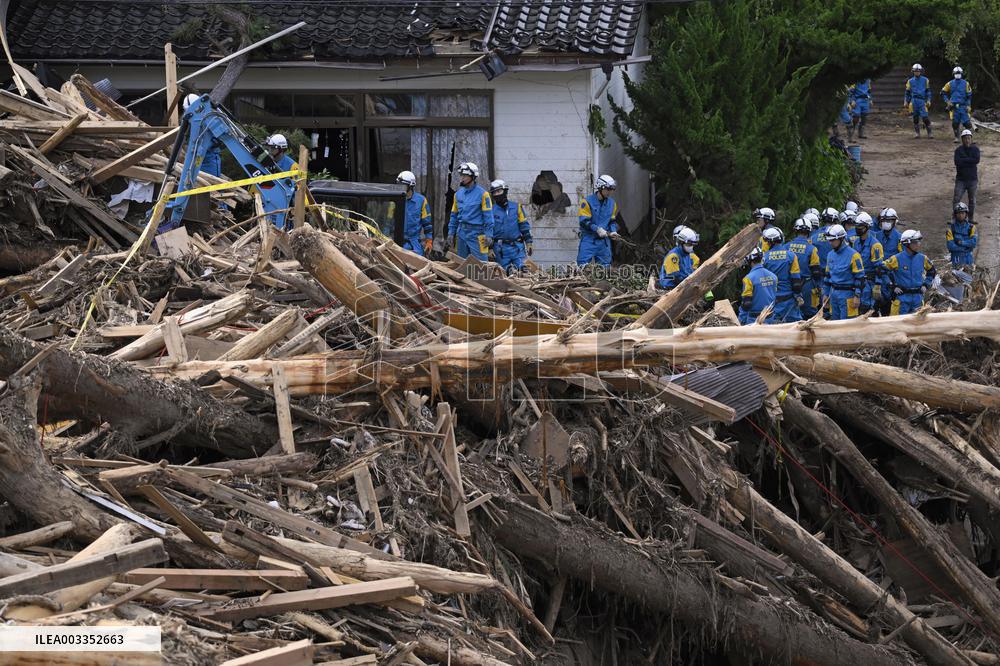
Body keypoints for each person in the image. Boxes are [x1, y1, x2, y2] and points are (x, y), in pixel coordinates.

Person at [880, 229, 936, 315]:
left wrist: (926, 284)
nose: (918, 244)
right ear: (907, 243)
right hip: (902, 298)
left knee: (918, 325)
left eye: (918, 242)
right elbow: (881, 270)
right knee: (898, 325)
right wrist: (892, 286)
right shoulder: (896, 258)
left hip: (917, 298)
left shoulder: (923, 258)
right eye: (915, 242)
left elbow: (932, 271)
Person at [447, 162, 493, 260]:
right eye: (461, 175)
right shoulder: (457, 195)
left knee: (481, 265)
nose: (462, 178)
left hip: (477, 234)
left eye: (465, 176)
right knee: (461, 264)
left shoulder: (483, 194)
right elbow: (454, 216)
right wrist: (451, 233)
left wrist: (489, 234)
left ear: (473, 176)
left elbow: (488, 216)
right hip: (461, 233)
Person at [822, 223, 865, 320]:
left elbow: (860, 278)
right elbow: (827, 276)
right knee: (834, 324)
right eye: (829, 240)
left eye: (833, 240)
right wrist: (826, 294)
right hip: (834, 295)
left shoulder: (854, 256)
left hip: (848, 296)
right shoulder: (830, 255)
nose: (830, 243)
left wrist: (857, 296)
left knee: (848, 326)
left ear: (841, 239)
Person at [761, 227, 803, 322]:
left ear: (769, 242)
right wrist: (798, 296)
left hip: (772, 301)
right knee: (796, 326)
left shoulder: (764, 258)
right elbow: (796, 280)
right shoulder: (791, 256)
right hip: (789, 300)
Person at [577, 175, 620, 267]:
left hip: (604, 243)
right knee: (583, 267)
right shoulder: (586, 202)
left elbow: (612, 220)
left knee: (604, 269)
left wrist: (613, 231)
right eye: (608, 189)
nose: (610, 192)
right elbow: (584, 222)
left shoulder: (612, 204)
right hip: (589, 240)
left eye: (612, 189)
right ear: (600, 188)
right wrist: (597, 229)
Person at [490, 179, 532, 273]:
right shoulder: (491, 210)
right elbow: (488, 231)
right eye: (494, 193)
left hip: (517, 247)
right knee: (506, 274)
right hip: (500, 249)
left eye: (499, 191)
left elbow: (524, 226)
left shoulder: (517, 207)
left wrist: (529, 242)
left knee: (524, 272)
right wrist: (489, 248)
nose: (497, 194)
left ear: (505, 191)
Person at [788, 217, 822, 318]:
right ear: (809, 231)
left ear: (795, 230)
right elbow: (816, 272)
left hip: (791, 285)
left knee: (792, 315)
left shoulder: (786, 247)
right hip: (807, 285)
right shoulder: (812, 249)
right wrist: (819, 286)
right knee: (810, 315)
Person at [396, 170, 433, 256]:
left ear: (411, 186)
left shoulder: (421, 201)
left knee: (417, 263)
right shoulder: (395, 199)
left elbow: (427, 224)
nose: (400, 187)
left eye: (403, 185)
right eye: (399, 185)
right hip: (397, 241)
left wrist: (429, 241)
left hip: (414, 242)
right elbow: (389, 222)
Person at [853, 213, 884, 313]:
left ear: (867, 227)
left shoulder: (875, 245)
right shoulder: (856, 243)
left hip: (870, 282)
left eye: (860, 227)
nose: (858, 229)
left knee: (868, 309)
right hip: (858, 281)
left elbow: (879, 267)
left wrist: (878, 285)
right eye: (856, 226)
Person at [738, 247, 778, 325]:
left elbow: (746, 304)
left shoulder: (748, 279)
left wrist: (741, 319)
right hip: (770, 318)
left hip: (754, 320)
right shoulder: (773, 276)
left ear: (748, 260)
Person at [941, 66, 973, 142]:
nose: (957, 74)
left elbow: (969, 95)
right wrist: (947, 101)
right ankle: (957, 138)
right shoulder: (949, 83)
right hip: (954, 108)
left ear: (961, 74)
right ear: (953, 74)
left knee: (967, 124)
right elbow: (943, 93)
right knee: (955, 123)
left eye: (959, 73)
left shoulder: (966, 83)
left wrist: (968, 105)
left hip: (963, 107)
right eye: (956, 73)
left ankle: (968, 138)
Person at [954, 128, 980, 220]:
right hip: (961, 179)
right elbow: (957, 162)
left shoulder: (975, 149)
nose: (967, 140)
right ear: (962, 139)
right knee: (956, 199)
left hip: (972, 180)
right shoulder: (958, 150)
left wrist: (964, 160)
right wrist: (970, 160)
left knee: (972, 201)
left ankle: (971, 219)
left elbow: (976, 160)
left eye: (969, 138)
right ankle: (954, 219)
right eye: (965, 138)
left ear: (971, 139)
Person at [905, 63, 933, 138]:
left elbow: (928, 91)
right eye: (915, 71)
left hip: (922, 101)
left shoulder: (925, 80)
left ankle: (930, 133)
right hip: (914, 101)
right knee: (915, 118)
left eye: (918, 71)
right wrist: (906, 101)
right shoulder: (910, 81)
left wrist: (929, 100)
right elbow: (907, 92)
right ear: (913, 72)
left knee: (925, 117)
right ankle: (917, 133)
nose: (917, 72)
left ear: (921, 71)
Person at [947, 202, 977, 267]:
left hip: (968, 260)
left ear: (966, 214)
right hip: (956, 260)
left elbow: (973, 243)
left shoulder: (972, 227)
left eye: (962, 213)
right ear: (955, 215)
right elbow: (950, 246)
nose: (960, 215)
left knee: (969, 276)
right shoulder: (951, 228)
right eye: (958, 213)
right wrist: (966, 248)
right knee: (955, 276)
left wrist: (961, 243)